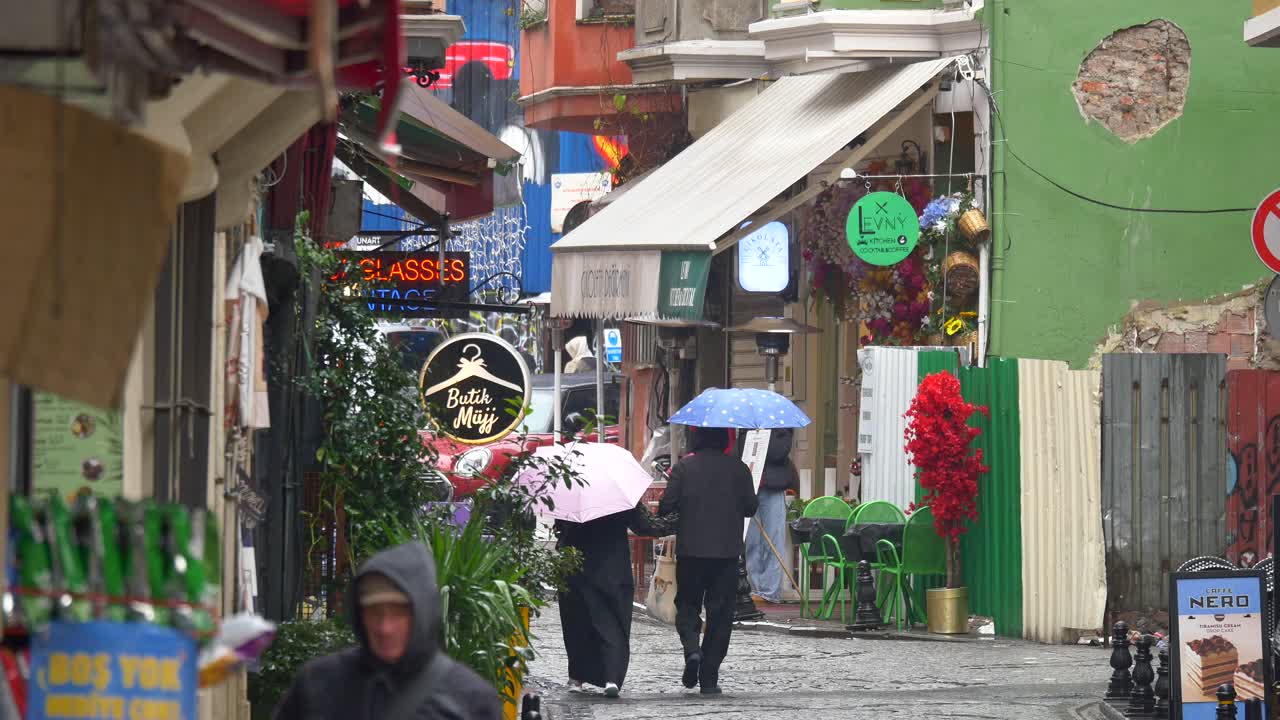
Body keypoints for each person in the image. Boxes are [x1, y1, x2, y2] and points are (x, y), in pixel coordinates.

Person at [273, 542, 503, 720]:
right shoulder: (317, 683)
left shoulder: (470, 699)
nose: (385, 627)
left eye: (399, 612)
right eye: (374, 612)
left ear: (423, 612)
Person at [658, 426, 759, 695]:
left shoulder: (683, 468)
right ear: (725, 440)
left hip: (691, 551)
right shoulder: (739, 470)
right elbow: (751, 506)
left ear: (697, 439)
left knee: (688, 605)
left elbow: (666, 506)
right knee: (721, 614)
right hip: (726, 554)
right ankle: (710, 677)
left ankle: (692, 649)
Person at [554, 502, 677, 698]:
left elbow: (560, 525)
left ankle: (577, 677)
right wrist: (679, 516)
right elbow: (646, 526)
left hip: (576, 563)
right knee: (613, 621)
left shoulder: (572, 489)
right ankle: (612, 677)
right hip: (611, 565)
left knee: (577, 621)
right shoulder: (619, 496)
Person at [742, 428, 799, 604]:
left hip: (773, 487)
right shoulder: (747, 427)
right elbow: (742, 451)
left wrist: (761, 440)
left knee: (773, 539)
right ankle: (755, 587)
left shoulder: (783, 429)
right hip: (751, 484)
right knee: (752, 539)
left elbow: (778, 452)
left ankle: (770, 591)